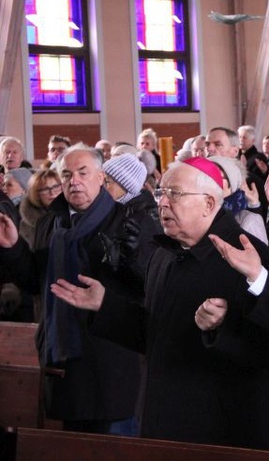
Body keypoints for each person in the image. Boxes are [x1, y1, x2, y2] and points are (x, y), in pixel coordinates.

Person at [50, 157, 269, 448]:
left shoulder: (249, 256)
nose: (163, 203)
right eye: (160, 193)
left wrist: (222, 327)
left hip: (217, 431)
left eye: (175, 194)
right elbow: (157, 333)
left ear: (208, 203)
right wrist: (107, 305)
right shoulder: (164, 252)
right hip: (161, 418)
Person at [0, 144, 156, 435]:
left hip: (110, 360)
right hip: (65, 360)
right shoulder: (52, 222)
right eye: (67, 174)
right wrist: (13, 248)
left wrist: (131, 260)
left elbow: (151, 285)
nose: (75, 181)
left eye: (83, 173)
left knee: (114, 449)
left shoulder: (128, 221)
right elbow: (37, 281)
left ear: (101, 177)